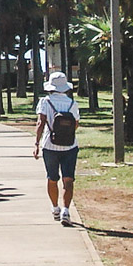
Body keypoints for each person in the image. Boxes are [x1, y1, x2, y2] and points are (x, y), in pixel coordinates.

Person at [33, 71, 80, 226]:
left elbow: (40, 123)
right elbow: (76, 125)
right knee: (68, 179)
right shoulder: (73, 104)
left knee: (52, 178)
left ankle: (55, 208)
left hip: (50, 145)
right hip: (70, 146)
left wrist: (36, 144)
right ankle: (66, 210)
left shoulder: (45, 102)